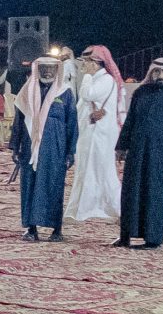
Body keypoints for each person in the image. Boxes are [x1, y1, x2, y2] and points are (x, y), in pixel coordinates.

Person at [115, 58, 163, 248]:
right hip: (137, 153)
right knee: (131, 193)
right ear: (151, 73)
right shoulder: (140, 93)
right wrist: (121, 147)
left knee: (157, 195)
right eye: (157, 72)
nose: (161, 75)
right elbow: (130, 121)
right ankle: (126, 236)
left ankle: (153, 239)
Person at [9, 54, 77, 241]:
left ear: (57, 70)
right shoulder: (26, 92)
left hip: (55, 150)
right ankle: (31, 229)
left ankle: (57, 229)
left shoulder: (65, 93)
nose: (47, 71)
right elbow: (18, 122)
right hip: (29, 149)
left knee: (54, 186)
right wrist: (15, 147)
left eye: (51, 68)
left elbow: (72, 124)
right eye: (44, 68)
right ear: (37, 69)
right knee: (30, 187)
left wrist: (70, 152)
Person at [65, 47, 126, 222]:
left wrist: (86, 78)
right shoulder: (96, 79)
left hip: (100, 134)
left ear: (96, 63)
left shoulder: (105, 80)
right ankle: (86, 207)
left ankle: (117, 208)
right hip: (90, 132)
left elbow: (87, 94)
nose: (83, 65)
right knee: (87, 169)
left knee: (103, 171)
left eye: (86, 62)